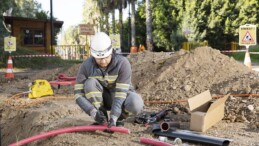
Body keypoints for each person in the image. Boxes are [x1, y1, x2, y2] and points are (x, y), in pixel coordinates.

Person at [74, 32, 144, 127]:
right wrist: (93, 112)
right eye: (99, 58)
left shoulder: (122, 63)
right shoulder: (86, 66)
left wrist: (114, 116)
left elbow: (120, 93)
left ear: (111, 51)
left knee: (136, 103)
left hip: (121, 98)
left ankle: (120, 118)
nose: (103, 61)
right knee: (89, 83)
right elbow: (78, 95)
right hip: (102, 100)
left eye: (106, 57)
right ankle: (102, 117)